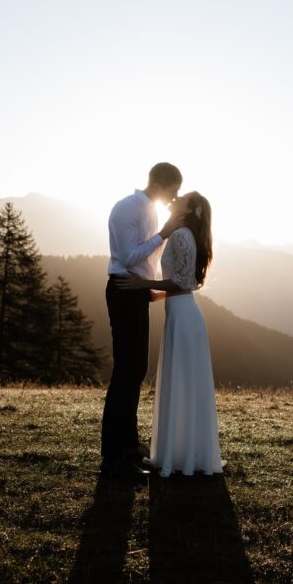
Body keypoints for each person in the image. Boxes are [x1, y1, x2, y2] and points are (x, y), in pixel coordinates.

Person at [118, 191, 225, 477]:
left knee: (182, 383)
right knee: (185, 385)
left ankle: (182, 455)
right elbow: (186, 284)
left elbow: (181, 280)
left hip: (184, 318)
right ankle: (185, 452)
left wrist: (144, 283)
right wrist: (154, 295)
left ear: (189, 208)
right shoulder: (186, 234)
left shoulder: (180, 236)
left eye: (181, 198)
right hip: (182, 312)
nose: (174, 199)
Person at [100, 162, 185, 481]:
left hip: (137, 290)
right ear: (161, 184)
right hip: (123, 289)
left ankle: (130, 448)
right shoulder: (127, 208)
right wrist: (164, 232)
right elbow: (129, 257)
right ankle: (113, 456)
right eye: (174, 190)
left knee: (137, 368)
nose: (174, 196)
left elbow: (147, 259)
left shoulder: (149, 210)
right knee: (125, 370)